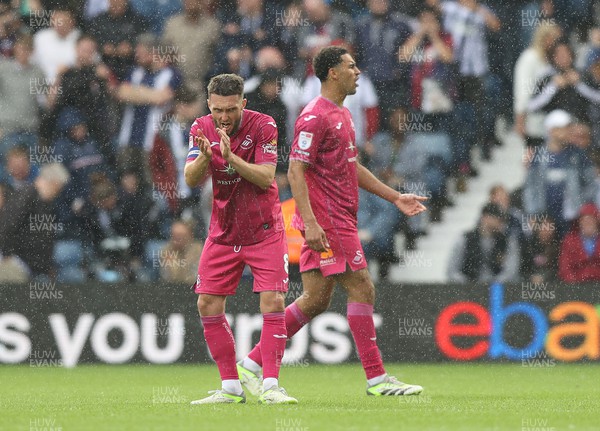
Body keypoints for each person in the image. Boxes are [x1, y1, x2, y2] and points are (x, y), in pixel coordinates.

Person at [237, 47, 427, 397]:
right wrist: (310, 222)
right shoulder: (314, 117)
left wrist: (395, 196)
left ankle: (249, 364)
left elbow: (352, 167)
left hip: (334, 219)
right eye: (351, 66)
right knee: (362, 288)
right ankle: (377, 379)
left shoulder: (342, 113)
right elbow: (295, 170)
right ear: (332, 73)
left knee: (315, 299)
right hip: (329, 222)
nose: (358, 72)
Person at [185, 74, 297, 405]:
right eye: (218, 109)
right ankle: (231, 387)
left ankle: (271, 384)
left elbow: (265, 177)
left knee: (274, 301)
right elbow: (190, 179)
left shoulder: (264, 125)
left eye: (231, 109)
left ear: (243, 104)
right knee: (207, 303)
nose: (224, 117)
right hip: (223, 232)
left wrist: (231, 157)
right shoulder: (199, 127)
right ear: (209, 105)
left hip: (264, 230)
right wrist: (206, 157)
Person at [447, 203, 520, 284]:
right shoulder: (465, 239)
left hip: (498, 290)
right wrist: (469, 285)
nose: (501, 223)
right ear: (485, 218)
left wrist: (493, 285)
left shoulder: (508, 241)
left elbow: (511, 271)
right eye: (498, 219)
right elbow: (452, 271)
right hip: (468, 290)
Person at [558, 203, 600, 283]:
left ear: (597, 221)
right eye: (584, 219)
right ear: (579, 222)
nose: (587, 223)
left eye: (591, 219)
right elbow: (565, 268)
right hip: (577, 287)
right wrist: (574, 284)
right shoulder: (570, 240)